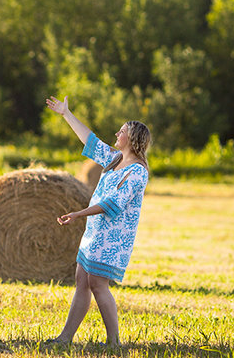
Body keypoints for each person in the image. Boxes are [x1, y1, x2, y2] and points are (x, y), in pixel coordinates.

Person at [44, 95, 152, 348]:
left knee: (98, 284)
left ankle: (114, 343)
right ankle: (64, 338)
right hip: (96, 233)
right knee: (82, 280)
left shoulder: (137, 171)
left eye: (122, 131)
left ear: (133, 138)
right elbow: (90, 140)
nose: (117, 133)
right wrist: (66, 114)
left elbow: (112, 204)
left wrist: (78, 214)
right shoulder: (115, 159)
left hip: (113, 238)